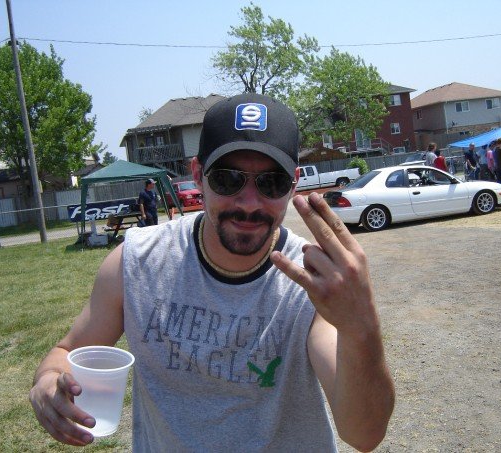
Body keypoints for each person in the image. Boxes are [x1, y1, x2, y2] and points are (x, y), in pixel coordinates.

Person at [29, 93, 395, 451]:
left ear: (293, 185)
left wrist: (360, 324)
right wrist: (47, 381)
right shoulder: (137, 261)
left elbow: (363, 434)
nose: (249, 203)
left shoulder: (314, 281)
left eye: (271, 183)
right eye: (227, 179)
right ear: (197, 175)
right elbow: (68, 350)